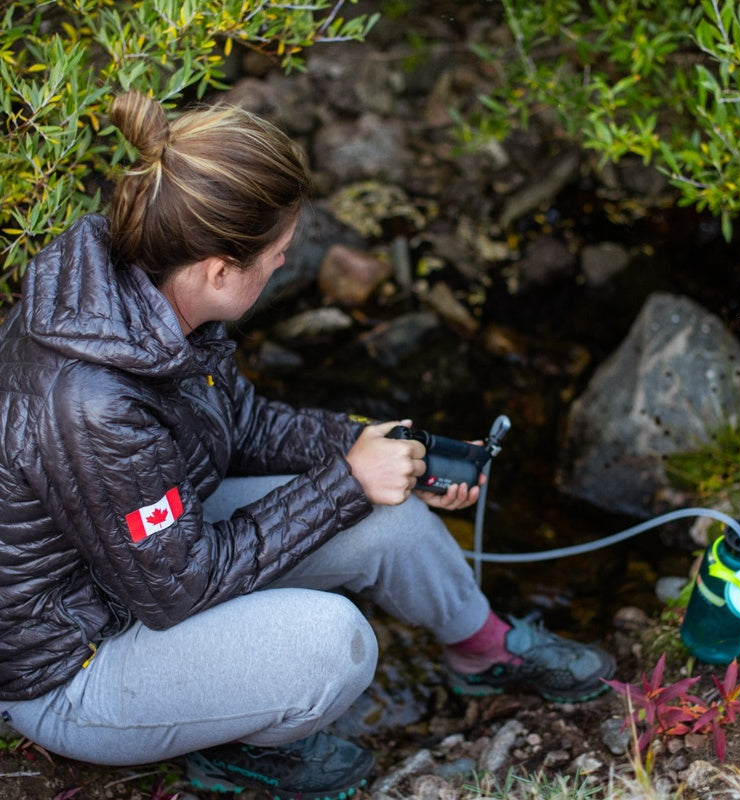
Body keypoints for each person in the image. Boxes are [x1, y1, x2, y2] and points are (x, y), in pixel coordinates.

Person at [0, 91, 615, 798]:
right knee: (334, 645)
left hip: (136, 568)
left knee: (388, 514)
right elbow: (180, 589)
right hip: (71, 663)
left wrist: (382, 449)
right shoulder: (95, 402)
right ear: (220, 270)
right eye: (279, 255)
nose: (287, 266)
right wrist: (344, 483)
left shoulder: (149, 295)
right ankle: (233, 748)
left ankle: (481, 648)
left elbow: (249, 428)